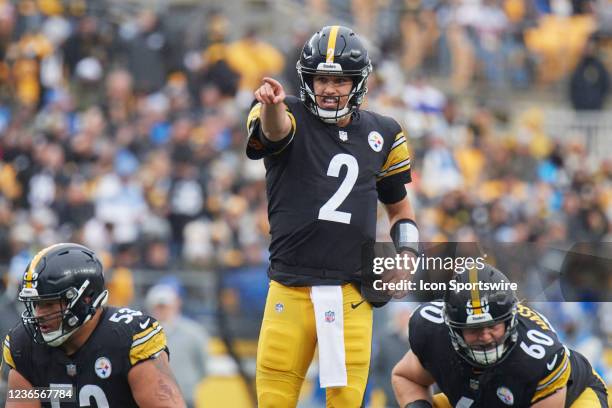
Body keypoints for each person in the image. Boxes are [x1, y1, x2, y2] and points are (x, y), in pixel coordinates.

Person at [246, 25, 418, 407]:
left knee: (346, 403)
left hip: (349, 292)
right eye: (321, 78)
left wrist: (407, 257)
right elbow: (276, 134)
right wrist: (272, 106)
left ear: (358, 82)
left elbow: (400, 208)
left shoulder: (384, 133)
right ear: (307, 79)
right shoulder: (283, 109)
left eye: (340, 80)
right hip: (289, 288)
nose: (329, 89)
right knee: (273, 401)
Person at [391, 265, 610, 408]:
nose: (486, 337)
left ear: (509, 321)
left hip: (570, 398)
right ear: (454, 329)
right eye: (475, 330)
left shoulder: (539, 356)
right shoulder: (433, 331)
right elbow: (406, 378)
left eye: (493, 327)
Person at [1, 243, 186, 408]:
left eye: (49, 304)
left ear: (86, 299)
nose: (39, 315)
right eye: (35, 304)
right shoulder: (24, 346)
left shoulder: (130, 338)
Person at [146, 283, 209, 408]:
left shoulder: (193, 333)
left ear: (176, 305)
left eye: (165, 306)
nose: (162, 310)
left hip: (185, 398)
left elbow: (203, 366)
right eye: (158, 307)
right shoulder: (143, 335)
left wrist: (188, 384)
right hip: (154, 400)